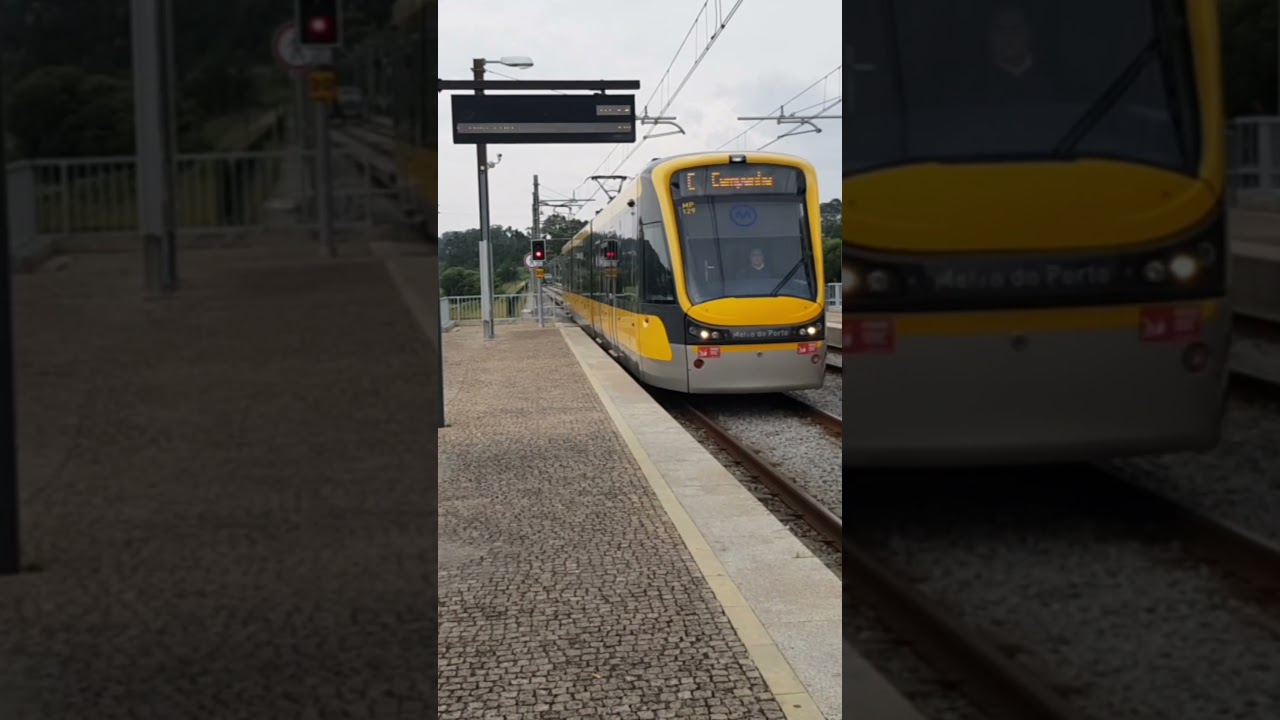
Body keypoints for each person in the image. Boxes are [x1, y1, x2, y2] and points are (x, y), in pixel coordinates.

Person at [950, 3, 1061, 104]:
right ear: (988, 35)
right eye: (1000, 29)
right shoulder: (968, 85)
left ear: (1029, 32)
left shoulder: (1055, 77)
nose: (1009, 37)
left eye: (1016, 28)